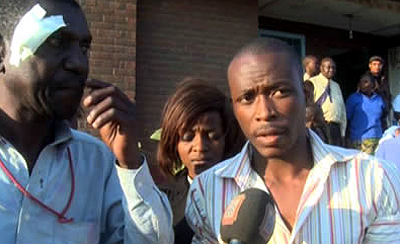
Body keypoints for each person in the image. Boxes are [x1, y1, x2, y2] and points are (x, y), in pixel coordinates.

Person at [185, 38, 400, 243]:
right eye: (247, 98)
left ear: (306, 96)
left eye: (279, 92)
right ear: (234, 108)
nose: (264, 112)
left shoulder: (374, 179)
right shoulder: (207, 192)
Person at [0, 1, 173, 243]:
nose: (79, 64)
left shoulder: (96, 162)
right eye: (56, 41)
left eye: (83, 48)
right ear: (2, 51)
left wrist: (130, 162)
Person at [156, 77, 245, 244]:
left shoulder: (247, 194)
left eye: (212, 136)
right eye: (188, 137)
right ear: (174, 142)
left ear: (227, 138)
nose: (200, 147)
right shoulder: (163, 201)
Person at [309, 57, 347, 146]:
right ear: (321, 68)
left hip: (335, 129)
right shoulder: (312, 83)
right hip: (319, 128)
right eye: (328, 67)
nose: (331, 70)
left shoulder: (336, 86)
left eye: (333, 68)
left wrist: (343, 133)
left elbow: (342, 110)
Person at [345, 74, 386, 154]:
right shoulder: (353, 99)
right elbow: (347, 119)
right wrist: (347, 139)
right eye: (361, 82)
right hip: (359, 140)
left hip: (378, 139)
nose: (363, 85)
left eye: (366, 82)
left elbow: (383, 118)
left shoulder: (379, 99)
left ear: (373, 84)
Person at [366, 55, 391, 129]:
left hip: (384, 115)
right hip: (371, 116)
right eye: (374, 64)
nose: (377, 66)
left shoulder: (383, 79)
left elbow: (387, 95)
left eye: (379, 64)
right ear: (370, 65)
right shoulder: (366, 79)